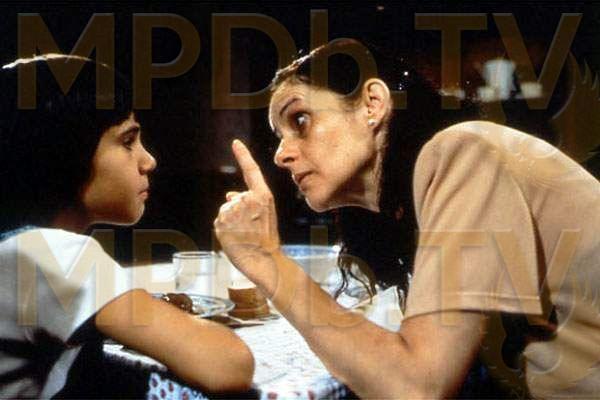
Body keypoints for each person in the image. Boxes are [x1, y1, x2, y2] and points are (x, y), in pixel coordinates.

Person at [214, 40, 600, 398]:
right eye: (279, 136)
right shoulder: (414, 198)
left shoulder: (461, 150)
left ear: (373, 104)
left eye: (299, 120)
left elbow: (417, 386)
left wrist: (268, 261)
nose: (280, 154)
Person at [0, 54, 254, 398]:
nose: (149, 161)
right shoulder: (47, 254)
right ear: (65, 154)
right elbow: (230, 366)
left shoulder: (16, 247)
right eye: (127, 141)